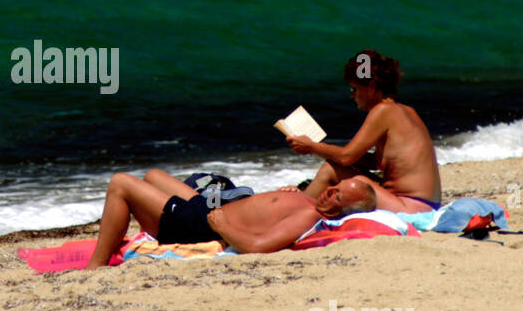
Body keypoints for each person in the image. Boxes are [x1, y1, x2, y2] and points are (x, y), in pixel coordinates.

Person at [83, 169, 376, 269]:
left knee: (121, 183)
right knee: (153, 176)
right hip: (207, 209)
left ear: (343, 211)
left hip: (200, 225)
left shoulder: (308, 216)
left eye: (337, 196)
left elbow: (258, 247)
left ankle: (95, 266)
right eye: (335, 187)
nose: (330, 192)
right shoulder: (310, 203)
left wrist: (222, 228)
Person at [286, 50, 442, 213]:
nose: (352, 95)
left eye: (354, 88)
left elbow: (346, 157)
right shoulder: (407, 111)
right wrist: (321, 150)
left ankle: (296, 212)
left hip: (411, 206)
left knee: (332, 169)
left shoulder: (383, 111)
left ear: (371, 87)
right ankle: (300, 205)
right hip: (426, 204)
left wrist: (312, 146)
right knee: (341, 171)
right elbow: (377, 161)